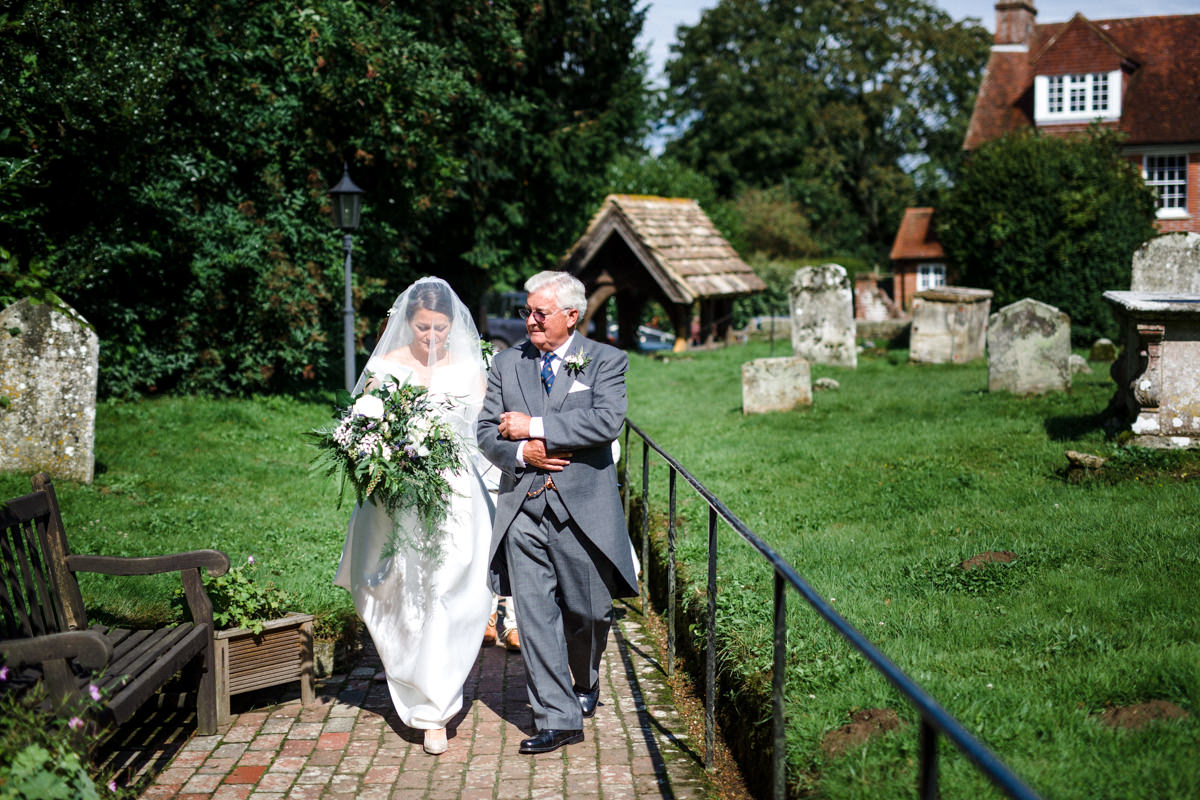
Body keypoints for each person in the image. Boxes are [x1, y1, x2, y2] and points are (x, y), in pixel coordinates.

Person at [476, 270, 639, 755]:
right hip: (522, 507)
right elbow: (485, 431)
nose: (529, 321)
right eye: (527, 311)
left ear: (572, 316)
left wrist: (535, 426)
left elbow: (607, 419)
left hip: (582, 510)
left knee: (590, 611)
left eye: (539, 313)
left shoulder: (605, 360)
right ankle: (558, 716)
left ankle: (585, 680)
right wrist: (520, 455)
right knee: (535, 614)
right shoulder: (505, 364)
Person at [333, 277, 493, 756]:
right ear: (407, 323)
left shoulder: (469, 367)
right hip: (394, 500)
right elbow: (365, 425)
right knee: (397, 591)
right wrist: (374, 449)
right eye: (423, 327)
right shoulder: (385, 365)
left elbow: (483, 433)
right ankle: (406, 671)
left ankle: (435, 710)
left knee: (449, 589)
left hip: (455, 496)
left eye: (441, 328)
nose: (432, 338)